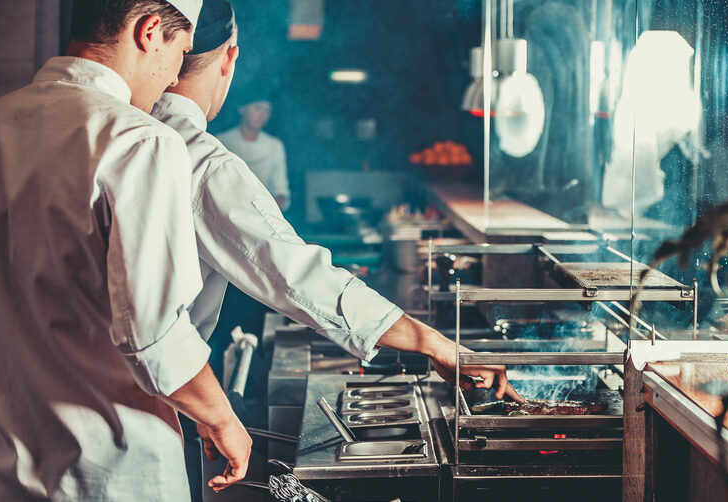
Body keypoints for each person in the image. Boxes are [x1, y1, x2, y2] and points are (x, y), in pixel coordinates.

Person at [150, 2, 523, 494]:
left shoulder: (110, 133)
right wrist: (436, 343)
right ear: (229, 58)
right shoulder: (200, 160)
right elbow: (299, 278)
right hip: (136, 434)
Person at [0, 1, 253, 500]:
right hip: (118, 478)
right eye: (179, 55)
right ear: (148, 33)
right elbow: (155, 337)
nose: (170, 82)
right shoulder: (142, 142)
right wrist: (223, 419)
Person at [215, 88, 290, 211]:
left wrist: (270, 206)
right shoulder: (222, 141)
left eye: (268, 111)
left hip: (264, 214)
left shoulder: (275, 145)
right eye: (258, 108)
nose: (263, 115)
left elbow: (280, 190)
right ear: (242, 109)